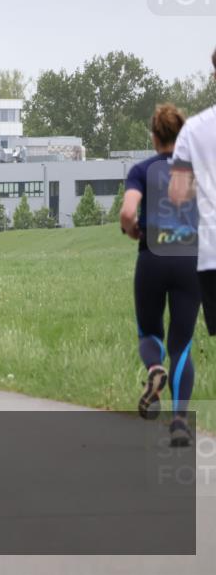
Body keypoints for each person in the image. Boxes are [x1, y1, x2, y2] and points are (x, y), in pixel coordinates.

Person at [121, 104, 200, 448]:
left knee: (149, 331)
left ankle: (154, 370)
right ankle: (180, 422)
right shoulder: (198, 170)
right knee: (181, 344)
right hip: (189, 260)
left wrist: (132, 229)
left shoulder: (141, 169)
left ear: (154, 137)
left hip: (152, 258)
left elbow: (127, 211)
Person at [167, 47, 216, 447]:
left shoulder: (194, 131)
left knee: (184, 332)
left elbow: (178, 196)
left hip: (208, 251)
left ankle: (180, 417)